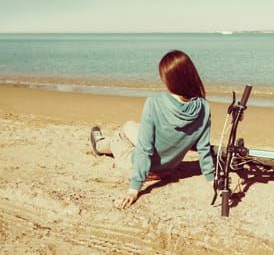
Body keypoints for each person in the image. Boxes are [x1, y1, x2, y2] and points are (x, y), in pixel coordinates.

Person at [89, 50, 215, 209]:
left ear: (168, 79)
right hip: (167, 169)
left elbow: (144, 150)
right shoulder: (204, 107)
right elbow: (203, 149)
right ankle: (108, 140)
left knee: (119, 136)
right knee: (129, 125)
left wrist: (134, 189)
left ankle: (99, 145)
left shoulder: (154, 103)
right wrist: (212, 180)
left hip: (139, 167)